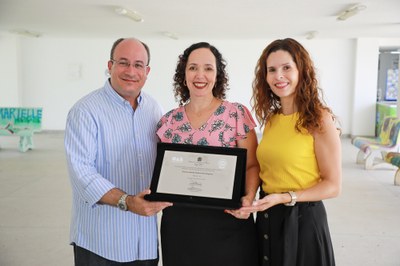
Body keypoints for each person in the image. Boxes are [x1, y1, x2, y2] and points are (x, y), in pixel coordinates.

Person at [64, 38, 172, 266]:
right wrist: (127, 201)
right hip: (102, 242)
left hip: (146, 243)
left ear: (147, 71)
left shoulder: (153, 108)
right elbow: (82, 174)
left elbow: (164, 159)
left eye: (138, 64)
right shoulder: (85, 111)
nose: (131, 71)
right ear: (110, 66)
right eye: (123, 63)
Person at [240, 38, 342, 266]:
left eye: (287, 68)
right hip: (267, 216)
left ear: (301, 71)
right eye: (272, 70)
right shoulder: (272, 120)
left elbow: (333, 185)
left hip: (303, 219)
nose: (279, 76)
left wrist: (287, 197)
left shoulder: (319, 119)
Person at [156, 42, 260, 266]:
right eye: (193, 67)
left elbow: (252, 164)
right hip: (180, 226)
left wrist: (249, 198)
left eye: (208, 68)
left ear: (217, 75)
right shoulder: (168, 121)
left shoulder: (236, 114)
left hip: (228, 221)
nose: (200, 75)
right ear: (183, 75)